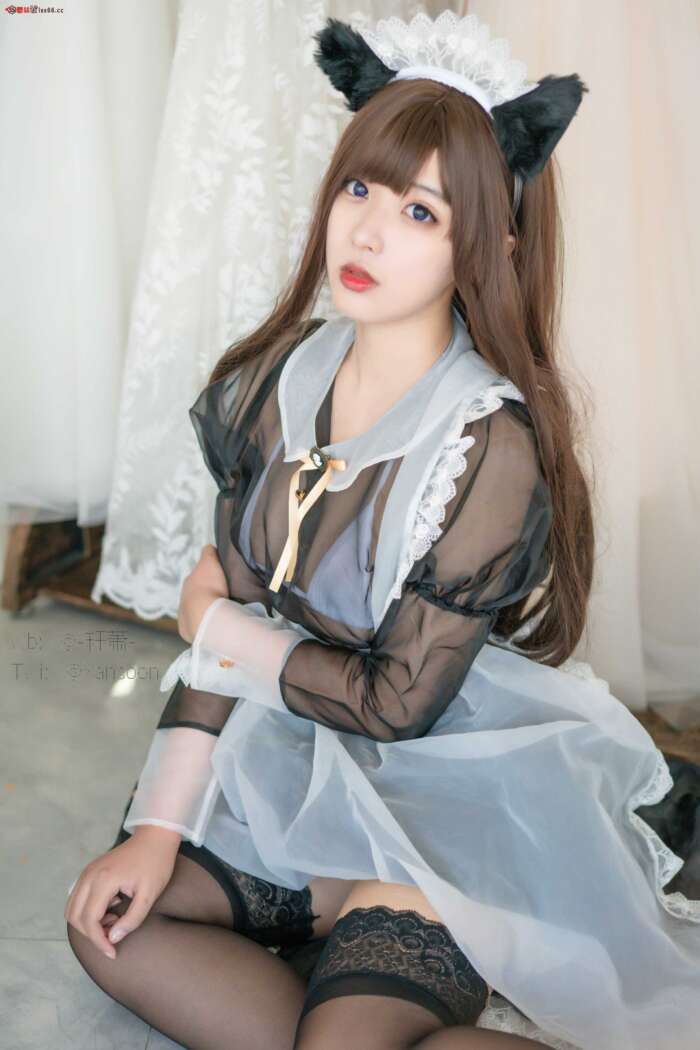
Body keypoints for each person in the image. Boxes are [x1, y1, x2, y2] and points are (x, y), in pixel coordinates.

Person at [65, 12, 700, 1050]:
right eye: (359, 189)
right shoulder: (276, 378)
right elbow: (228, 638)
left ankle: (375, 976)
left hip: (445, 806)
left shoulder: (487, 442)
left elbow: (392, 702)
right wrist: (156, 828)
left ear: (486, 244)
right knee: (107, 923)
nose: (366, 233)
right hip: (293, 779)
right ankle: (346, 974)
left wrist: (218, 626)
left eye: (418, 212)